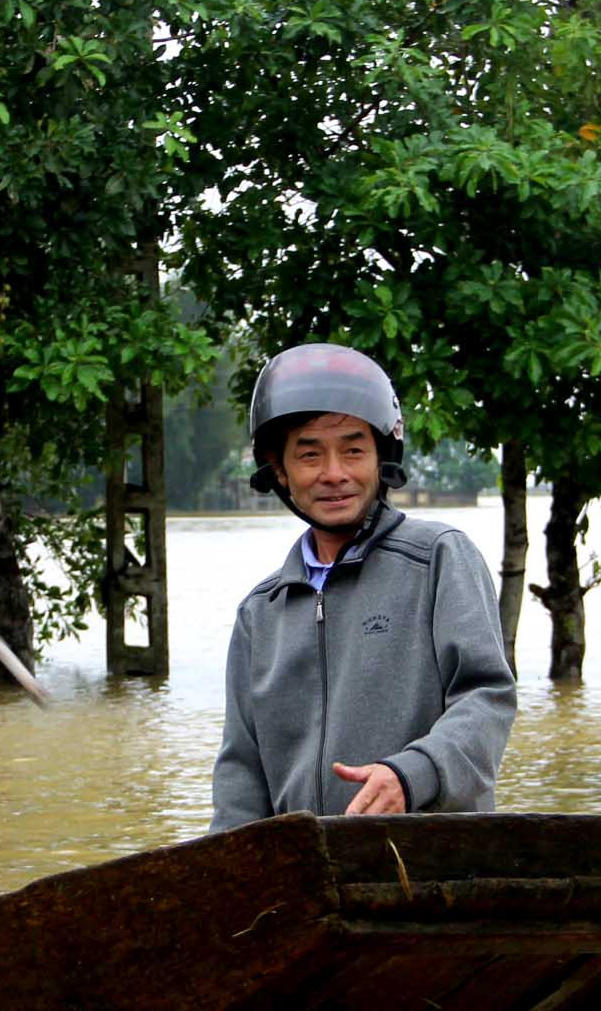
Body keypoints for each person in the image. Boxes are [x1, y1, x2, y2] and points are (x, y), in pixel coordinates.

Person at [209, 343, 517, 832]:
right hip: (309, 878)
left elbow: (487, 698)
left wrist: (410, 775)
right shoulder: (260, 614)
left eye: (353, 450)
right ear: (281, 471)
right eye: (310, 454)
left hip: (430, 867)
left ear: (381, 458)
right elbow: (240, 771)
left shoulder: (438, 558)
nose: (334, 473)